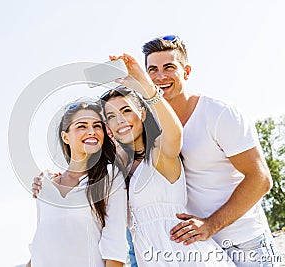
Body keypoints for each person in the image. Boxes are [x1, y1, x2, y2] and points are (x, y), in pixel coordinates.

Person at [33, 54, 235, 266]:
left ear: (143, 114)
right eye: (110, 116)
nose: (119, 119)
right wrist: (47, 180)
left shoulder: (159, 156)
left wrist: (144, 82)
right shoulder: (116, 171)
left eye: (126, 110)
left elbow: (174, 133)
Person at [141, 35, 279, 266]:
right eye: (152, 69)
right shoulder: (151, 128)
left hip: (246, 243)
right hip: (200, 249)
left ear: (187, 71)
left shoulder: (218, 114)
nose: (160, 76)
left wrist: (210, 224)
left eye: (169, 67)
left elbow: (261, 179)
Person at [27, 100, 128, 267]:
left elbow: (115, 248)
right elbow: (41, 243)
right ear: (65, 137)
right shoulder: (45, 185)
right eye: (82, 126)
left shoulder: (110, 178)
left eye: (97, 126)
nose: (92, 132)